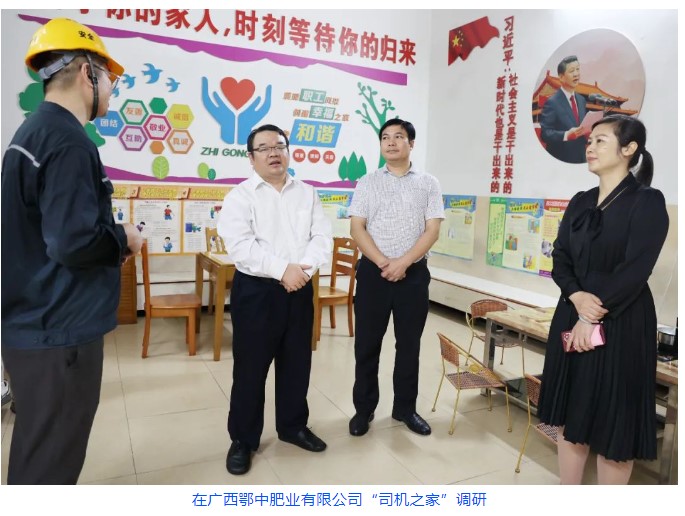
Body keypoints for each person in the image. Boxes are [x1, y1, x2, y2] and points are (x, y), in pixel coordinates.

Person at [0, 18, 144, 484]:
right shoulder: (68, 142)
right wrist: (124, 239)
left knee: (38, 447)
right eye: (111, 79)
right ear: (87, 74)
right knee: (51, 462)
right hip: (58, 333)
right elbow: (73, 241)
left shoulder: (33, 134)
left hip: (33, 324)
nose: (112, 91)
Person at [537, 114, 669, 484]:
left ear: (629, 149)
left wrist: (589, 314)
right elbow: (561, 257)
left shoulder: (647, 201)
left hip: (620, 319)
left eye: (600, 141)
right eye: (589, 141)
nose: (590, 147)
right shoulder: (580, 202)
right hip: (572, 311)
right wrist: (576, 296)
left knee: (615, 423)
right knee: (570, 410)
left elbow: (636, 268)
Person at [217, 124, 332, 475]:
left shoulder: (308, 193)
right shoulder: (240, 197)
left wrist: (302, 271)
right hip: (257, 292)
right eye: (264, 148)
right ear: (251, 157)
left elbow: (322, 236)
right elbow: (240, 246)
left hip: (300, 287)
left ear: (288, 151)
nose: (273, 153)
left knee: (297, 363)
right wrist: (283, 270)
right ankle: (243, 439)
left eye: (279, 146)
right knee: (250, 369)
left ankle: (293, 427)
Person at [348, 119, 444, 437]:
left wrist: (403, 263)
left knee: (409, 346)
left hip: (413, 276)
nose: (390, 142)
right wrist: (383, 262)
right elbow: (357, 227)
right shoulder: (367, 182)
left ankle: (405, 409)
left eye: (398, 137)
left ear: (411, 143)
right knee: (366, 345)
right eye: (385, 137)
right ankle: (363, 410)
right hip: (373, 274)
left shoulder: (428, 183)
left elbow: (432, 230)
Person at [540, 55, 589, 164]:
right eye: (571, 71)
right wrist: (566, 135)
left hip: (581, 159)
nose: (576, 74)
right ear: (561, 77)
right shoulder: (552, 102)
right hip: (561, 160)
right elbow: (545, 134)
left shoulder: (581, 100)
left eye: (577, 69)